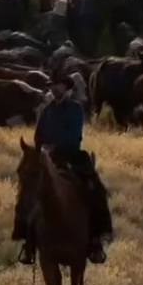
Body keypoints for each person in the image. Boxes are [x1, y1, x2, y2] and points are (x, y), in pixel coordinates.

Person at [15, 74, 112, 265]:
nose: (55, 90)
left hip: (71, 156)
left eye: (58, 87)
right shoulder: (47, 110)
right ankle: (28, 242)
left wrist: (56, 146)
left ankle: (95, 239)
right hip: (48, 157)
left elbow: (74, 134)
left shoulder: (75, 109)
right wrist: (41, 146)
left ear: (67, 89)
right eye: (53, 87)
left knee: (94, 188)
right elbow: (38, 133)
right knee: (27, 191)